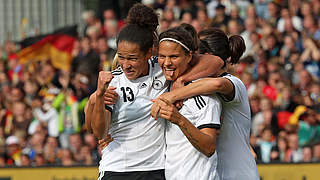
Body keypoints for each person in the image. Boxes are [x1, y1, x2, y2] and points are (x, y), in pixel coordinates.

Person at [85, 4, 223, 180]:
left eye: (133, 59)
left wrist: (182, 80)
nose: (126, 65)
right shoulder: (114, 81)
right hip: (117, 169)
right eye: (122, 57)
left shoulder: (162, 67)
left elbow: (215, 61)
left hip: (156, 169)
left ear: (149, 53)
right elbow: (99, 133)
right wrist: (98, 96)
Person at [152, 28, 260, 180]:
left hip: (239, 173)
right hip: (217, 173)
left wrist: (173, 93)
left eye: (196, 56)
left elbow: (217, 84)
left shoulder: (234, 83)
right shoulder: (196, 85)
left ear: (205, 57)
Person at [152, 26, 222, 180]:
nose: (167, 63)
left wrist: (179, 119)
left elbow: (209, 147)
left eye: (174, 56)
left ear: (189, 57)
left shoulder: (203, 95)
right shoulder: (164, 84)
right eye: (162, 56)